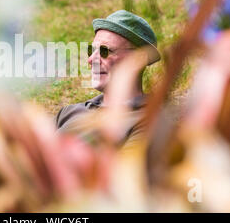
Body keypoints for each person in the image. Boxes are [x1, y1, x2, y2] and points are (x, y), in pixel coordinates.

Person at [55, 10, 160, 142]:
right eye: (91, 51)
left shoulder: (147, 121)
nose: (91, 60)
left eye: (105, 51)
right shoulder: (68, 112)